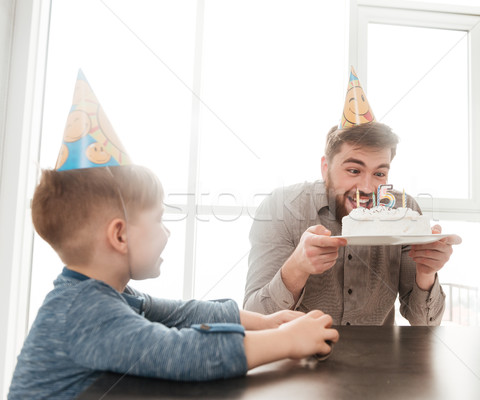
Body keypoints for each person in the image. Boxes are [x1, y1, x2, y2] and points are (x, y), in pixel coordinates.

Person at [8, 72, 338, 400]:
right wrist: (287, 340)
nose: (166, 231)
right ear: (119, 235)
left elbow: (181, 313)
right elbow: (182, 354)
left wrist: (267, 322)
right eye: (158, 219)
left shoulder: (101, 295)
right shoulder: (85, 311)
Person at [244, 68, 459, 326]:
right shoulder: (280, 209)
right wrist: (296, 268)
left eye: (379, 173)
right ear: (326, 168)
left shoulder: (405, 211)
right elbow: (254, 318)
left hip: (376, 360)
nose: (367, 187)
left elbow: (423, 323)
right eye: (353, 170)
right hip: (296, 357)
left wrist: (426, 272)